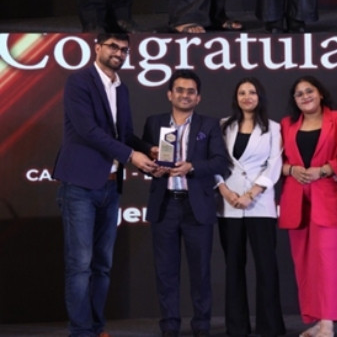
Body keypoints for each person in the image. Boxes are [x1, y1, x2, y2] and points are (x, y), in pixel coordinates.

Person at [53, 31, 158, 337]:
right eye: (113, 46)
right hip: (80, 185)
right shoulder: (79, 81)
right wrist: (131, 155)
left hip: (110, 187)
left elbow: (123, 133)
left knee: (102, 265)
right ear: (97, 47)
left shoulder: (121, 88)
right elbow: (88, 130)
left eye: (124, 49)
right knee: (80, 264)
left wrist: (146, 148)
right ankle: (81, 331)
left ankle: (97, 328)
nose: (119, 53)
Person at [142, 69, 231, 337]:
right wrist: (153, 168)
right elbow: (145, 159)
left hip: (196, 207)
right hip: (165, 205)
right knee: (165, 271)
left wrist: (192, 166)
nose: (185, 95)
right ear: (169, 94)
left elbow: (220, 162)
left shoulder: (209, 125)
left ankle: (201, 325)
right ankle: (169, 326)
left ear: (198, 97)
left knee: (200, 271)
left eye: (190, 91)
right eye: (179, 90)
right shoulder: (154, 122)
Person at [279, 76, 337, 337]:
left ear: (320, 94)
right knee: (304, 266)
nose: (305, 96)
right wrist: (291, 169)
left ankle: (327, 323)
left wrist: (325, 169)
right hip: (296, 203)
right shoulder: (286, 125)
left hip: (328, 201)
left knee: (327, 263)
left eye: (309, 91)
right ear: (294, 101)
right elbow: (274, 161)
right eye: (299, 94)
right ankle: (316, 320)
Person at [215, 77, 285, 337]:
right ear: (236, 98)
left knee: (266, 266)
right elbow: (214, 161)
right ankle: (237, 327)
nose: (247, 97)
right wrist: (224, 190)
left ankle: (270, 327)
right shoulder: (223, 126)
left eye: (252, 92)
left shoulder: (273, 128)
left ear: (260, 96)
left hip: (260, 204)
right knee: (234, 266)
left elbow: (274, 165)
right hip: (229, 204)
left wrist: (252, 193)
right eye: (242, 93)